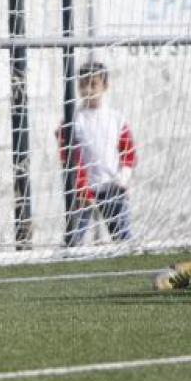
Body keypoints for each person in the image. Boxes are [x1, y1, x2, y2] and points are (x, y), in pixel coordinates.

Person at [57, 61, 137, 246]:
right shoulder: (73, 121)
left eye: (94, 84)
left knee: (123, 238)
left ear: (105, 86)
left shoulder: (116, 119)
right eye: (83, 84)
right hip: (82, 191)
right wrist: (82, 187)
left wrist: (123, 179)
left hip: (112, 187)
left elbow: (129, 153)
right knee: (74, 241)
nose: (88, 89)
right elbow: (68, 158)